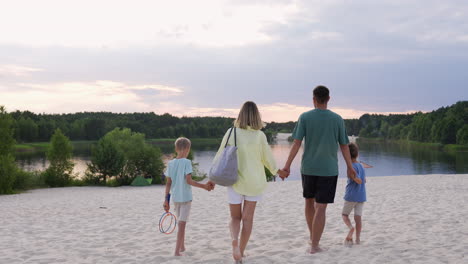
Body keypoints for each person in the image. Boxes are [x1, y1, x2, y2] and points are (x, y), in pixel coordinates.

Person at [281, 85, 361, 254]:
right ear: (328, 99)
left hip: (308, 168)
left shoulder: (305, 117)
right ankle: (314, 245)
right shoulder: (337, 119)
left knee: (309, 202)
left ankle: (313, 238)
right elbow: (345, 146)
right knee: (321, 207)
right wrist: (350, 166)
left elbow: (296, 143)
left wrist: (287, 166)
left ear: (313, 99)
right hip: (328, 170)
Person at [213, 101, 288, 263]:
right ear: (257, 116)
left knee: (235, 218)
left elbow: (220, 154)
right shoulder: (260, 136)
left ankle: (234, 241)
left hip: (234, 180)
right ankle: (241, 250)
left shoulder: (231, 132)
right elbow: (267, 159)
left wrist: (212, 178)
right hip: (254, 183)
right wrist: (278, 172)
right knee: (248, 219)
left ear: (240, 115)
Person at [163, 137, 214, 256]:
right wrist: (204, 186)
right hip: (185, 198)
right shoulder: (187, 162)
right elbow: (189, 181)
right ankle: (177, 251)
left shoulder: (170, 163)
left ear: (176, 149)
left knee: (181, 223)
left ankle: (182, 246)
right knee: (182, 224)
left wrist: (166, 200)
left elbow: (168, 183)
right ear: (188, 149)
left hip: (175, 198)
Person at [342, 143, 369, 245]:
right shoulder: (361, 166)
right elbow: (364, 180)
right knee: (358, 218)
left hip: (351, 195)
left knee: (344, 215)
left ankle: (350, 228)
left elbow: (358, 180)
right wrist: (359, 179)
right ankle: (357, 239)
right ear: (357, 154)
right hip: (361, 196)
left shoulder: (351, 167)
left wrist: (355, 178)